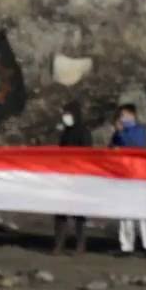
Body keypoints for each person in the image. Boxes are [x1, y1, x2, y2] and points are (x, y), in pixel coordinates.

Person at [110, 104, 146, 258]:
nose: (122, 118)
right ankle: (126, 246)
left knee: (141, 212)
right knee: (125, 212)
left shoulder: (139, 131)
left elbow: (136, 147)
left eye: (124, 115)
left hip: (138, 176)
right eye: (121, 116)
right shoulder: (118, 133)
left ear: (132, 115)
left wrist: (121, 133)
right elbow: (111, 148)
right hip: (123, 176)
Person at [52, 100, 92, 256]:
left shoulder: (83, 131)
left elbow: (87, 153)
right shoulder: (65, 132)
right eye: (64, 114)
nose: (65, 117)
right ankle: (59, 243)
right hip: (65, 176)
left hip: (79, 177)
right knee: (60, 212)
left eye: (68, 114)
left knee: (79, 213)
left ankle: (80, 245)